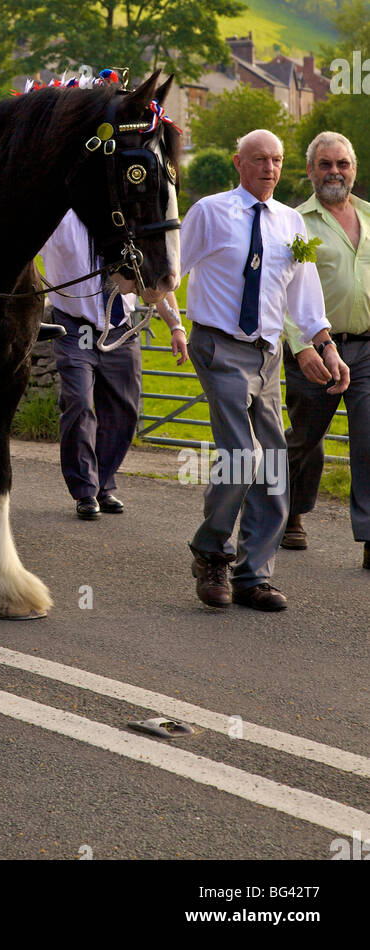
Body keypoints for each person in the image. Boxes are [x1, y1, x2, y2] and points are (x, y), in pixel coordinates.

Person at [180, 129, 349, 612]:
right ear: (239, 163)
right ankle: (212, 553)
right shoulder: (209, 212)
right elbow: (171, 268)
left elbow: (305, 296)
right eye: (259, 160)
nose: (269, 169)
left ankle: (254, 575)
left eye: (276, 160)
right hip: (218, 345)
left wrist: (325, 346)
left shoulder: (291, 222)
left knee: (273, 461)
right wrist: (165, 316)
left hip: (268, 353)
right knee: (241, 453)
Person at [41, 210, 188, 519]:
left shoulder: (124, 217)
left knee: (125, 409)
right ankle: (85, 490)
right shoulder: (58, 216)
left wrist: (176, 327)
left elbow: (153, 280)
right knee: (79, 402)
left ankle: (103, 483)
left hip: (121, 328)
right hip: (76, 327)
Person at [282, 132, 370, 562]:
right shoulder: (296, 222)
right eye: (325, 164)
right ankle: (287, 512)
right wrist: (304, 347)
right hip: (314, 350)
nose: (335, 171)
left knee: (369, 440)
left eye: (342, 164)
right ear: (310, 171)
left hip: (367, 350)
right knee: (304, 439)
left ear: (353, 169)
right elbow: (283, 294)